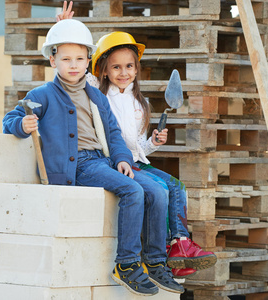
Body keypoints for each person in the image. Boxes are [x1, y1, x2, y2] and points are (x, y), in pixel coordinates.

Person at [3, 19, 184, 295]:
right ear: (53, 61)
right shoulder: (43, 95)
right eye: (65, 59)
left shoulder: (96, 96)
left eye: (79, 58)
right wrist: (22, 125)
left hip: (105, 161)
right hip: (78, 166)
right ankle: (126, 264)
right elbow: (11, 118)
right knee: (133, 190)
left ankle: (156, 261)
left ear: (88, 61)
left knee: (157, 193)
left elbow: (113, 134)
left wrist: (122, 158)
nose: (73, 65)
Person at [56, 1, 217, 279]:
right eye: (115, 67)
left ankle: (180, 243)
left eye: (129, 66)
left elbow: (139, 147)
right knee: (159, 190)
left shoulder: (139, 103)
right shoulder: (97, 93)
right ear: (103, 70)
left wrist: (153, 142)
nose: (123, 72)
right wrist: (62, 30)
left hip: (137, 160)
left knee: (176, 186)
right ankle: (163, 252)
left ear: (136, 67)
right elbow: (74, 65)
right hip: (114, 161)